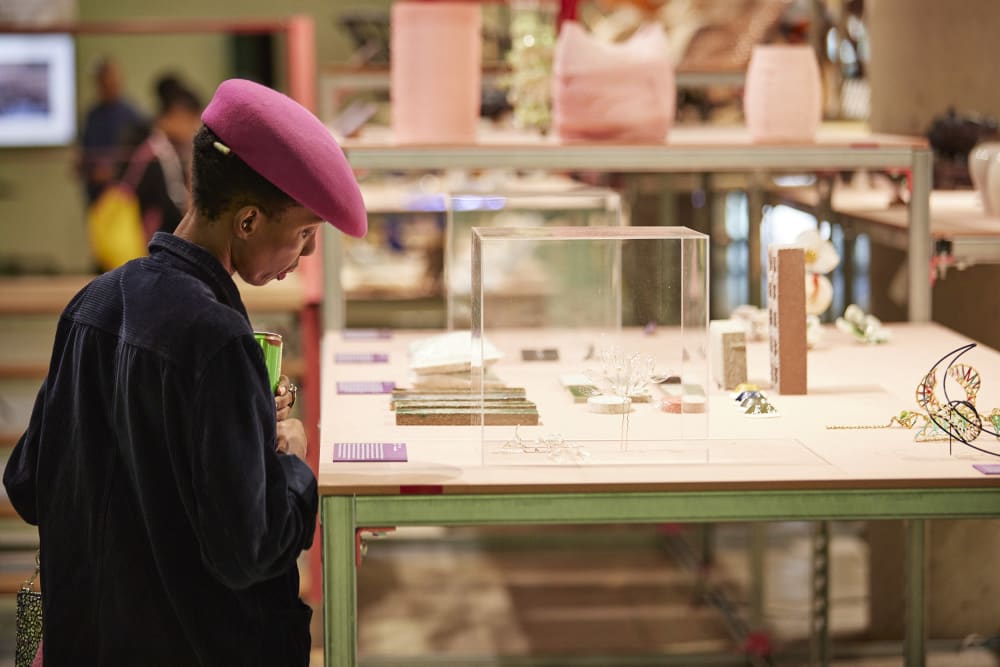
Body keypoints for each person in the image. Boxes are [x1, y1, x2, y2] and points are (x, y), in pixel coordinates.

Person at [4, 79, 367, 666]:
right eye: (303, 234)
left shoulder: (93, 304)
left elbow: (26, 483)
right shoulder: (221, 341)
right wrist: (291, 464)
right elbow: (248, 549)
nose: (304, 255)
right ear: (248, 221)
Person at [120, 74, 204, 238]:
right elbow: (174, 208)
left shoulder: (167, 150)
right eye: (190, 119)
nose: (195, 128)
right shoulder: (156, 153)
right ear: (172, 116)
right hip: (149, 239)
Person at [78, 57, 145, 205]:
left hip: (124, 194)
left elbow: (139, 155)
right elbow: (85, 153)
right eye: (105, 81)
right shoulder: (92, 116)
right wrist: (86, 168)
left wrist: (114, 172)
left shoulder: (131, 115)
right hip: (97, 195)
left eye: (113, 80)